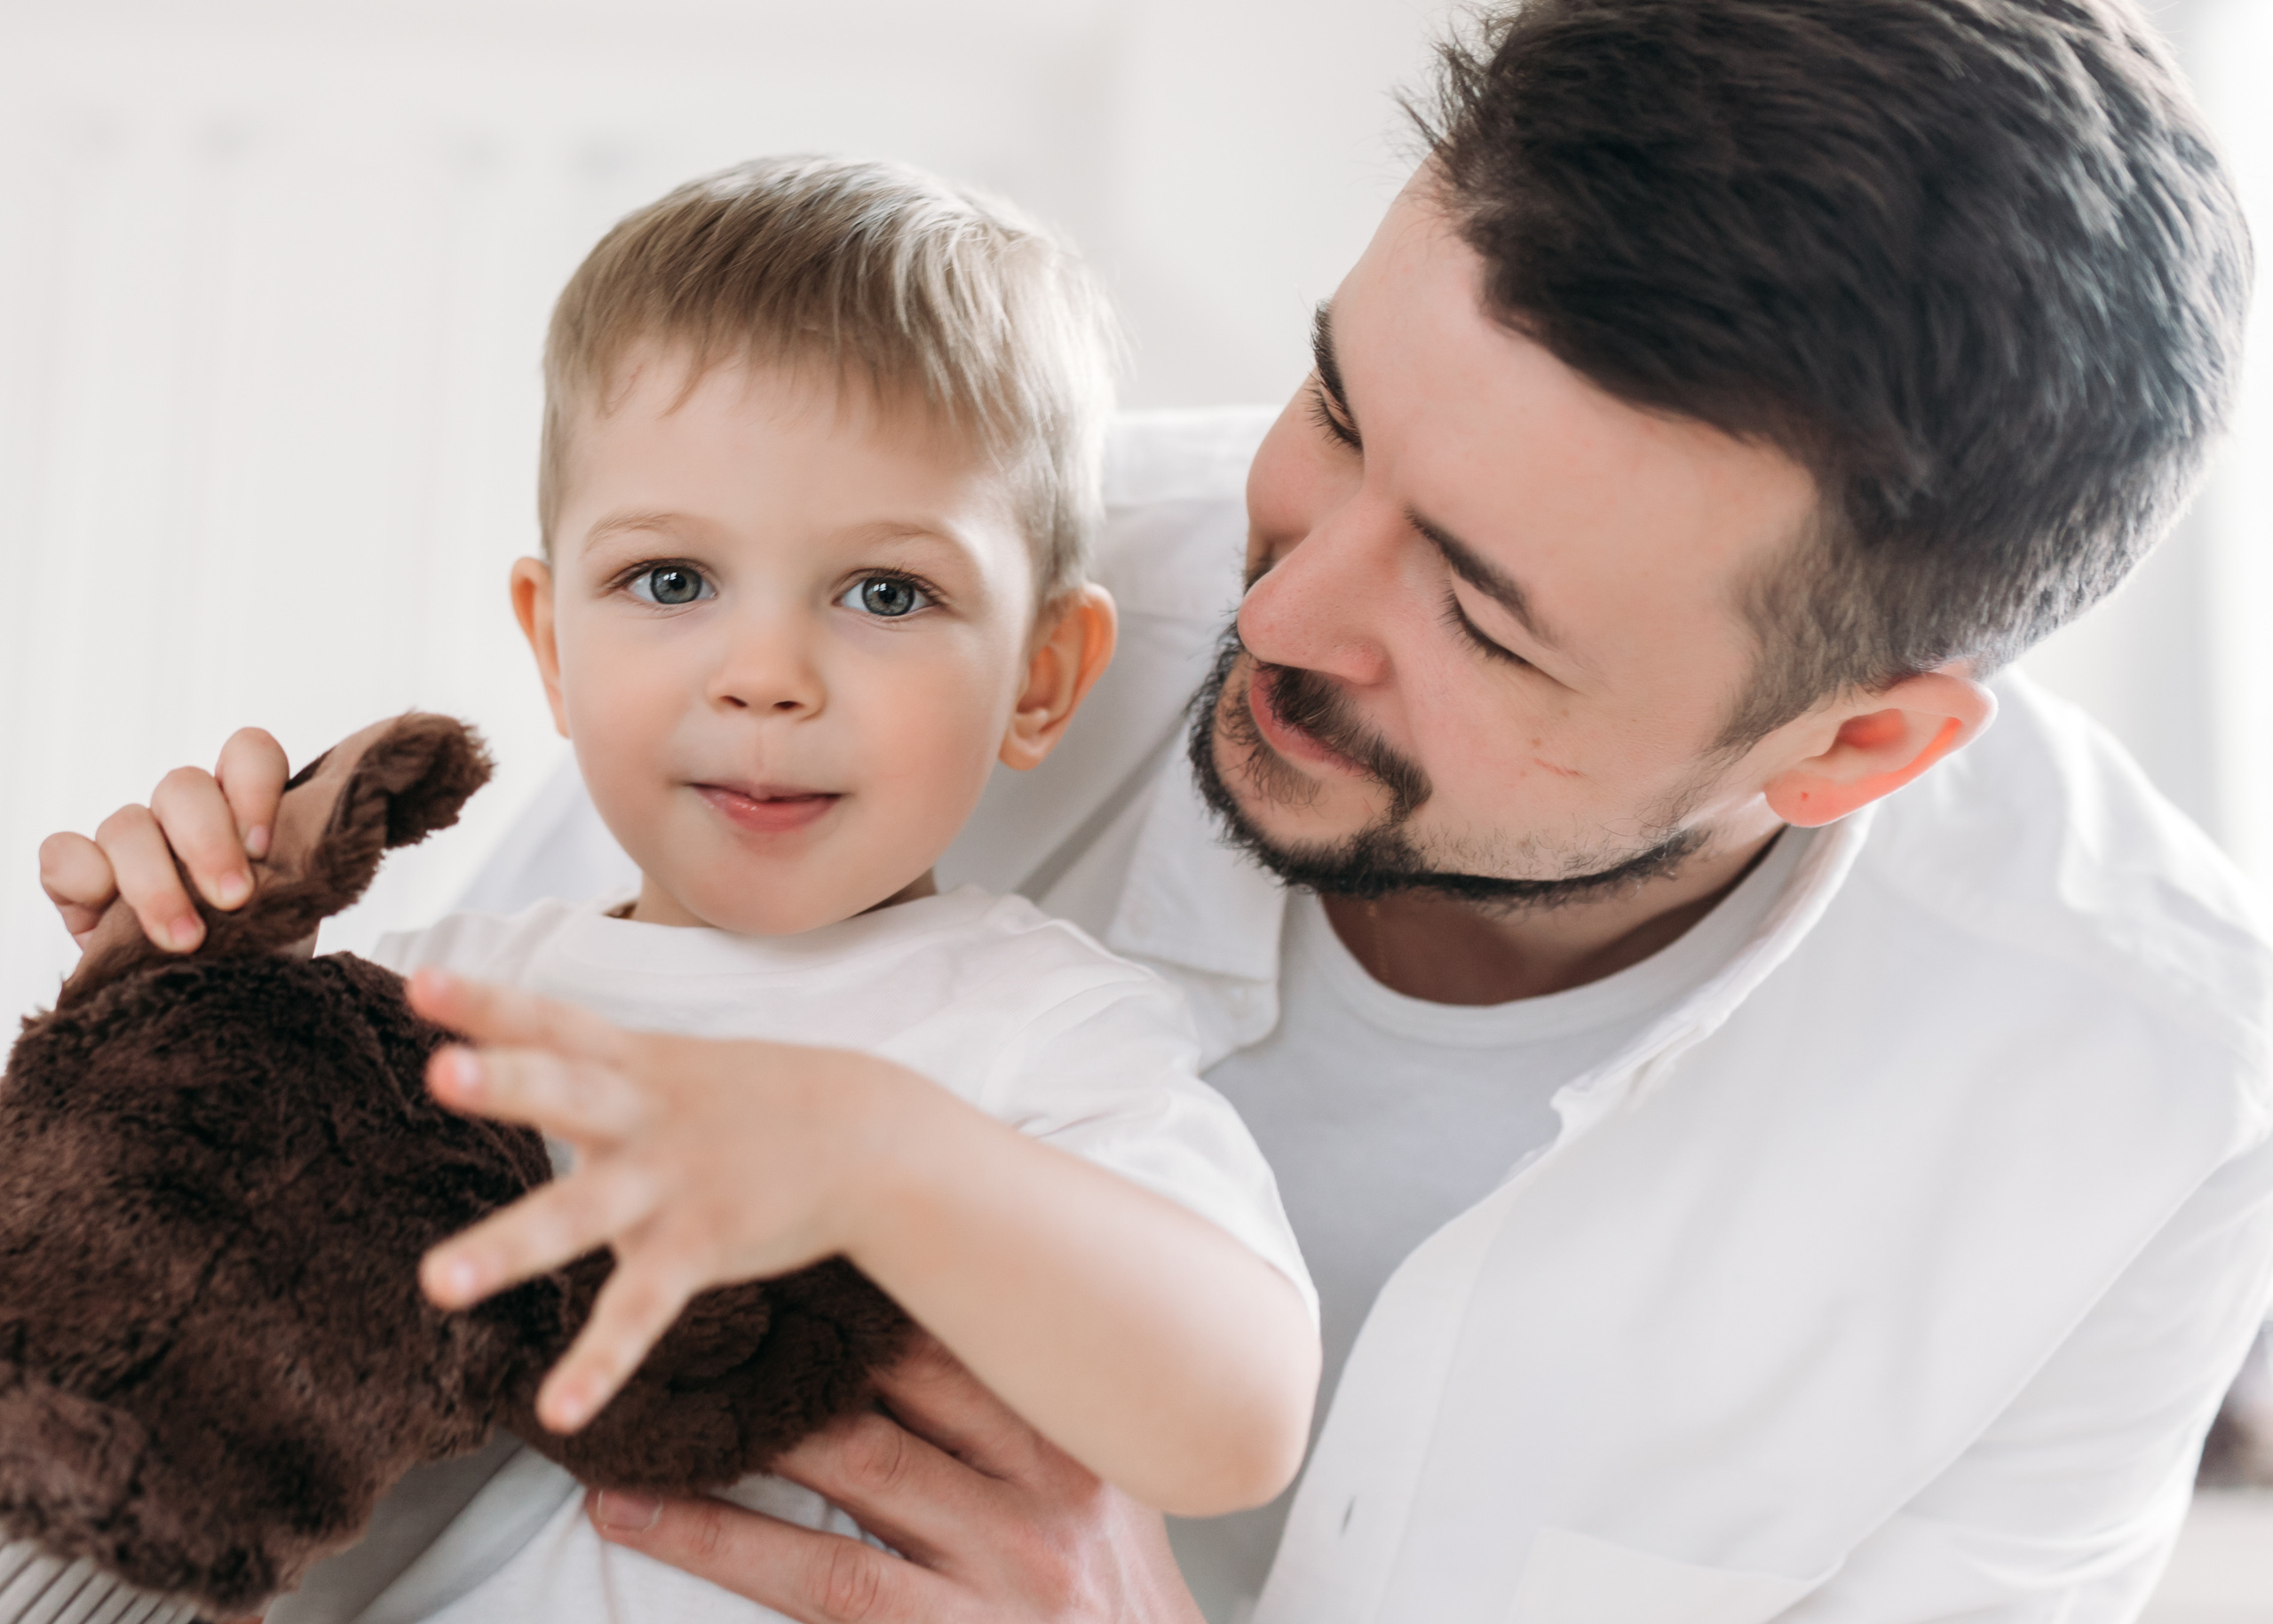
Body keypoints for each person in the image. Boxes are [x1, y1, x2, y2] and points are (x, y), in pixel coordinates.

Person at [42, 1, 2270, 1620]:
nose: (1276, 600)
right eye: (1334, 403)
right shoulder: (939, 594)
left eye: (1481, 618)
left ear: (1848, 749)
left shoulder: (2136, 1109)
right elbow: (361, 1312)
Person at [40, 155, 1321, 1623]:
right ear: (551, 646)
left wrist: (884, 1156)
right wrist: (160, 1025)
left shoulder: (1032, 1031)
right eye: (669, 581)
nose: (764, 675)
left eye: (885, 592)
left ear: (1040, 678)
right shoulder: (435, 991)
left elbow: (1240, 1419)